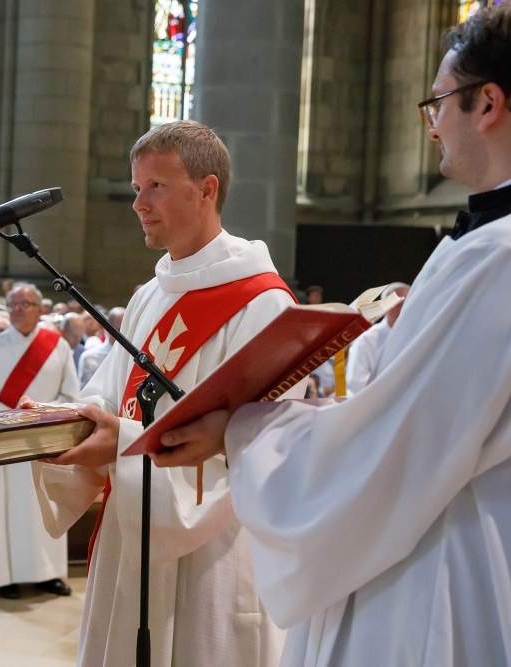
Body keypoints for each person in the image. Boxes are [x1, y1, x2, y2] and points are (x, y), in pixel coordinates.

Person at [151, 8, 511, 665]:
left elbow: (391, 449)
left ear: (487, 103)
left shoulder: (497, 257)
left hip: (438, 556)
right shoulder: (485, 249)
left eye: (438, 102)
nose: (432, 125)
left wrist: (241, 432)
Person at [30, 120, 298, 667]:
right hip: (134, 526)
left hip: (212, 547)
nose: (138, 204)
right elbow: (110, 396)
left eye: (156, 186)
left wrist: (124, 444)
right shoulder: (150, 296)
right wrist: (66, 424)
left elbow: (265, 445)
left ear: (206, 190)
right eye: (136, 188)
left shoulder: (263, 304)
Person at [0, 283, 79, 599]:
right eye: (13, 304)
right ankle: (5, 575)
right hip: (7, 441)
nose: (18, 309)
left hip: (45, 440)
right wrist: (12, 417)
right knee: (9, 509)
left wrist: (39, 413)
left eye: (24, 303)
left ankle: (48, 574)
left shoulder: (58, 346)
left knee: (46, 506)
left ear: (40, 309)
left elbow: (71, 394)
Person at [346, 283, 410, 393]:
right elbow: (355, 382)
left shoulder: (416, 335)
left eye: (407, 304)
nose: (403, 310)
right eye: (398, 305)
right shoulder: (367, 339)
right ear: (385, 307)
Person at [78, 306, 125, 388]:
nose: (125, 333)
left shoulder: (135, 356)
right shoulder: (90, 357)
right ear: (108, 328)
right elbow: (86, 391)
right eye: (120, 329)